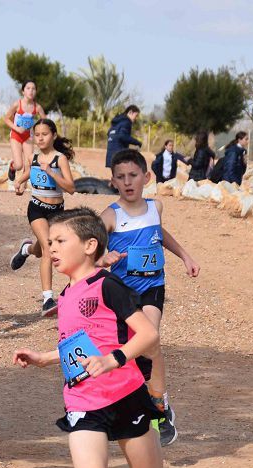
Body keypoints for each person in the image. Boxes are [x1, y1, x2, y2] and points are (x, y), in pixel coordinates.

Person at [13, 207, 163, 468]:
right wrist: (45, 357)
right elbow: (75, 348)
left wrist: (114, 360)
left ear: (90, 246)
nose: (52, 248)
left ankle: (158, 417)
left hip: (127, 395)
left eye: (60, 242)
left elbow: (149, 336)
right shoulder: (64, 297)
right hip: (82, 401)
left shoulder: (109, 285)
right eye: (51, 243)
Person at [100, 148, 201, 447]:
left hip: (152, 286)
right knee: (133, 349)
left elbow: (160, 233)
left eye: (133, 175)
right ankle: (126, 402)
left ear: (147, 177)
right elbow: (89, 243)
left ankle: (160, 408)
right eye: (121, 177)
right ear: (113, 181)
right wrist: (102, 257)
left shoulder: (155, 206)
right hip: (123, 291)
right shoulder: (110, 215)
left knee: (151, 338)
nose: (128, 182)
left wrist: (185, 255)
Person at [10, 119, 77, 316]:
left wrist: (51, 172)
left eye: (44, 134)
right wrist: (19, 183)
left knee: (40, 250)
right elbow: (29, 172)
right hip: (37, 208)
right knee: (48, 250)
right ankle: (48, 299)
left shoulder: (60, 159)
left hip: (56, 211)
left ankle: (26, 249)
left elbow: (71, 188)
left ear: (53, 135)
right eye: (36, 135)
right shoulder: (33, 156)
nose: (40, 138)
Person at [3, 81, 46, 180]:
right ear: (23, 91)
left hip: (28, 137)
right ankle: (12, 166)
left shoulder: (37, 107)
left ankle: (21, 187)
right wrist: (17, 128)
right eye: (28, 88)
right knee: (19, 165)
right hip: (16, 136)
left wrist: (39, 132)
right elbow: (6, 119)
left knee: (29, 164)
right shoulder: (17, 104)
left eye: (33, 89)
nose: (31, 91)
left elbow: (45, 122)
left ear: (36, 91)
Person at [105, 104, 141, 169]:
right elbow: (123, 136)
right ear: (130, 112)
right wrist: (137, 142)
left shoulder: (116, 122)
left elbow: (109, 134)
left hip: (110, 156)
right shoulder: (126, 122)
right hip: (119, 156)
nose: (135, 118)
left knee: (117, 176)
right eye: (136, 115)